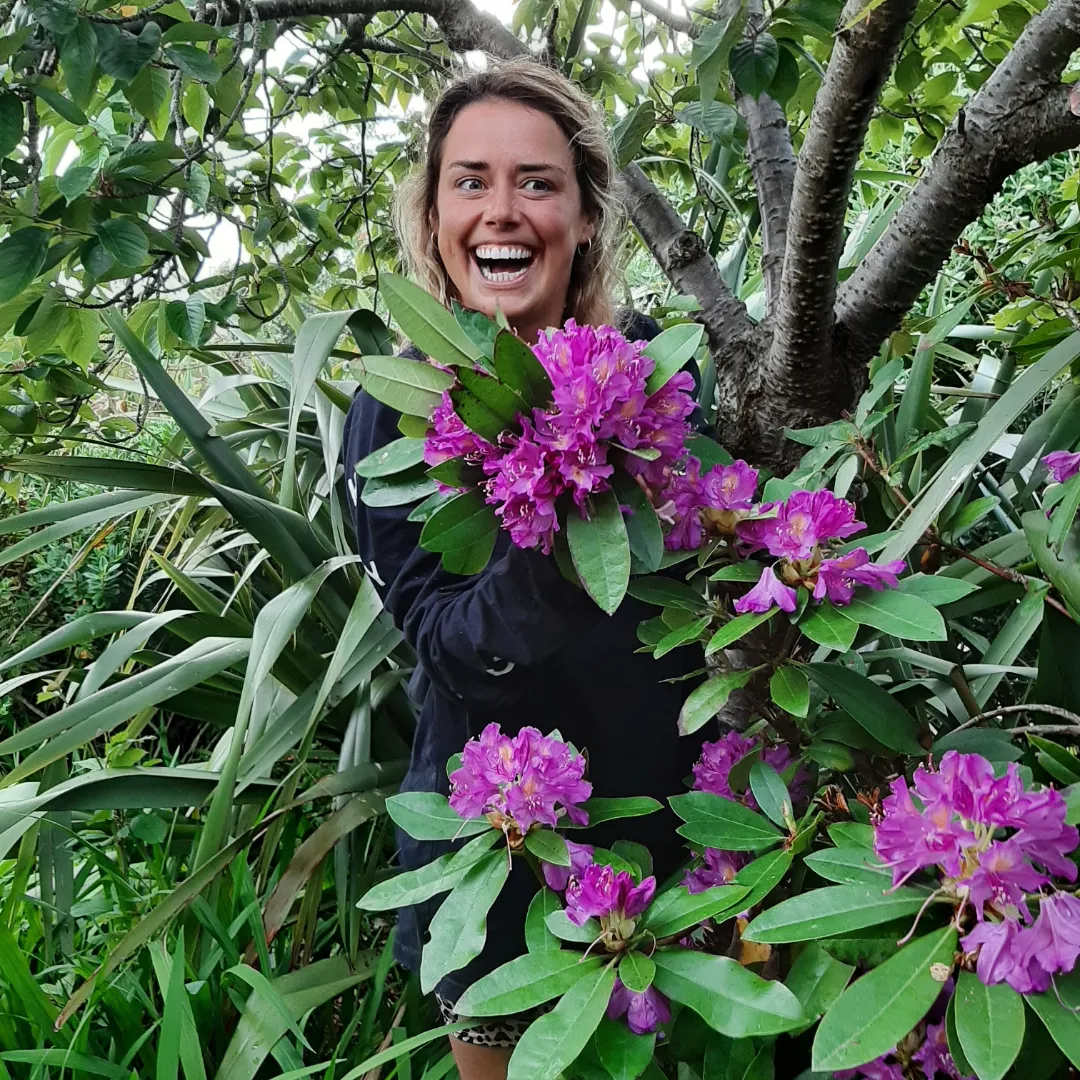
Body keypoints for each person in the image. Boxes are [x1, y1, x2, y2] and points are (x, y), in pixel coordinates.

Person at [342, 57, 703, 1080]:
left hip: (685, 836)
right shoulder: (398, 408)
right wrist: (559, 527)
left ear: (584, 217)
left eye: (537, 183)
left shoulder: (651, 370)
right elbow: (444, 641)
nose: (502, 210)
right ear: (435, 216)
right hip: (499, 863)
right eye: (472, 181)